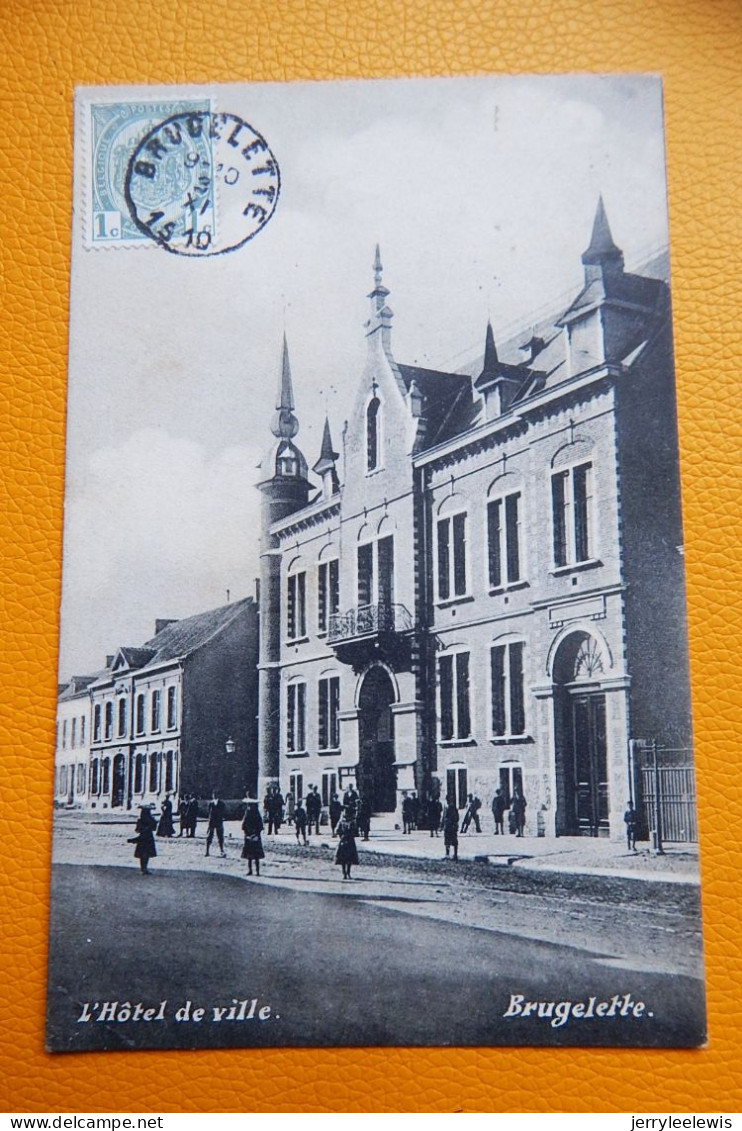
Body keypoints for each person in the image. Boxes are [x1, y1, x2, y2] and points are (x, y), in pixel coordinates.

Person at [130, 805, 157, 875]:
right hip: (149, 838)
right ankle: (144, 869)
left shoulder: (140, 820)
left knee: (142, 855)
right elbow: (154, 828)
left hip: (142, 838)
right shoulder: (151, 819)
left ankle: (143, 868)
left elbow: (137, 830)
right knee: (146, 855)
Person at [241, 800, 265, 876]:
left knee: (254, 855)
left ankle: (256, 871)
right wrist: (249, 834)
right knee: (250, 855)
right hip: (252, 836)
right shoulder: (250, 814)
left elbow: (260, 827)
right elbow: (244, 826)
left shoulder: (254, 815)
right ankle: (251, 870)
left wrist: (254, 834)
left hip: (253, 837)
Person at [335, 808, 359, 880]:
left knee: (349, 859)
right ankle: (344, 873)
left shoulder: (352, 822)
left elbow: (356, 831)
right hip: (345, 840)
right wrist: (341, 835)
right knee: (343, 859)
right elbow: (337, 830)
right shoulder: (342, 822)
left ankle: (347, 872)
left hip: (349, 840)